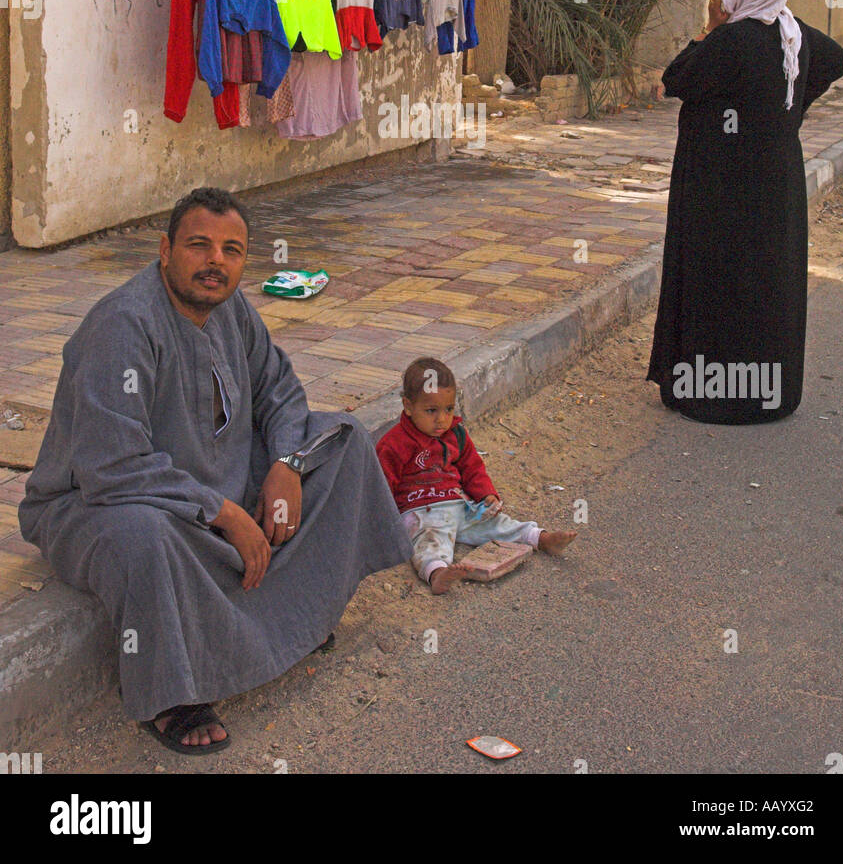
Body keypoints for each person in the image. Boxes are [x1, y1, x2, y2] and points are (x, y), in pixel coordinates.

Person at [19, 187, 411, 755]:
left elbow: (279, 389)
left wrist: (286, 464)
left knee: (344, 443)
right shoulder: (123, 328)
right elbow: (112, 467)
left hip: (212, 476)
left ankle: (294, 620)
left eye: (232, 251)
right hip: (97, 504)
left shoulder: (231, 308)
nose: (215, 262)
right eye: (199, 245)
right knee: (146, 539)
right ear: (165, 249)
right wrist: (224, 513)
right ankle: (174, 695)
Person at [647, 0, 843, 424]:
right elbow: (838, 59)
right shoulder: (792, 35)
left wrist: (710, 27)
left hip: (720, 186)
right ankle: (768, 392)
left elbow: (676, 79)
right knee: (766, 281)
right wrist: (790, 108)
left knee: (719, 279)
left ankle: (714, 393)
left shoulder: (731, 42)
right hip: (777, 186)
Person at [375, 358, 578, 593]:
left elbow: (472, 467)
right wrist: (383, 527)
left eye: (448, 409)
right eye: (431, 410)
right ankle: (438, 573)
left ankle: (540, 538)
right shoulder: (394, 443)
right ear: (408, 406)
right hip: (422, 511)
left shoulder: (456, 434)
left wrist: (486, 495)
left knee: (497, 524)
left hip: (461, 506)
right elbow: (382, 486)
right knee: (429, 543)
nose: (441, 419)